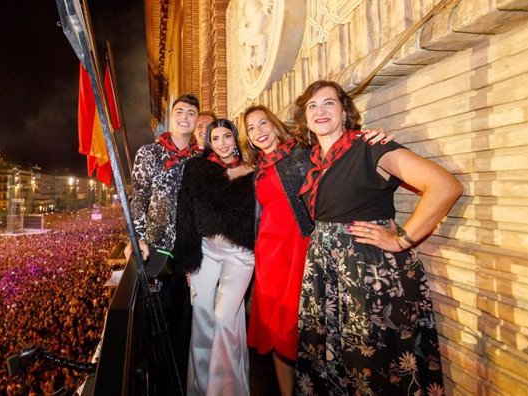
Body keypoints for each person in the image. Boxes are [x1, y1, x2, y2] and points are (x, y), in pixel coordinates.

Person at [293, 80, 462, 395]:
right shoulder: (315, 163)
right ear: (305, 120)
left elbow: (444, 186)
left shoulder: (370, 146)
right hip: (328, 277)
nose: (320, 111)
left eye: (329, 103)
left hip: (368, 274)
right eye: (312, 106)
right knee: (337, 363)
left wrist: (401, 240)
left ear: (345, 112)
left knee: (372, 362)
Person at [241, 105, 390, 396]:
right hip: (269, 255)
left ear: (274, 126)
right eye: (251, 128)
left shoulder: (303, 153)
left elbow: (338, 152)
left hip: (300, 247)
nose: (258, 131)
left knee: (303, 326)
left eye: (262, 124)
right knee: (276, 328)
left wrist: (372, 137)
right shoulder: (258, 169)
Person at [174, 118, 256, 395]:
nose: (222, 143)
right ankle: (199, 387)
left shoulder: (253, 168)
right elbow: (185, 214)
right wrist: (187, 259)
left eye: (227, 136)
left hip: (240, 254)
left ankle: (225, 390)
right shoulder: (197, 169)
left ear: (235, 138)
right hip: (205, 251)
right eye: (216, 138)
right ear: (209, 141)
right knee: (202, 317)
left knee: (224, 319)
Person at [126, 93, 202, 387]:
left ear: (196, 120)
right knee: (158, 329)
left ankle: (183, 384)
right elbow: (139, 196)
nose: (185, 116)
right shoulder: (150, 153)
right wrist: (138, 238)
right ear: (171, 116)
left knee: (186, 328)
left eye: (191, 113)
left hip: (191, 252)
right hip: (158, 251)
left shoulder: (200, 159)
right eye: (180, 111)